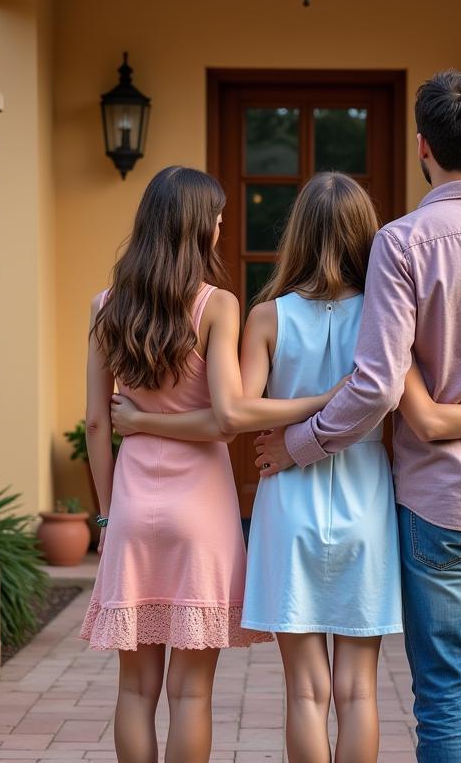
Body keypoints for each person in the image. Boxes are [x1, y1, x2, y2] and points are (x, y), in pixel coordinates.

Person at [114, 171, 461, 763]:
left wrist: (294, 424)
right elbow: (418, 411)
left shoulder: (267, 316)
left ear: (296, 234)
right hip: (365, 502)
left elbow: (237, 412)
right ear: (364, 236)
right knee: (357, 691)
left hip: (287, 501)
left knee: (305, 692)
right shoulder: (388, 317)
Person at [256, 70, 461, 763]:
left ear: (421, 147)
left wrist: (302, 445)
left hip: (439, 503)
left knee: (443, 697)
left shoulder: (403, 243)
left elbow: (377, 386)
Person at [82, 165, 344, 763]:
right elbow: (229, 418)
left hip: (130, 506)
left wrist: (105, 513)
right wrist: (326, 399)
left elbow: (99, 422)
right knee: (191, 693)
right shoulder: (216, 305)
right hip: (200, 510)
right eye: (219, 218)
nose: (224, 227)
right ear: (199, 228)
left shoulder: (106, 306)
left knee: (135, 689)